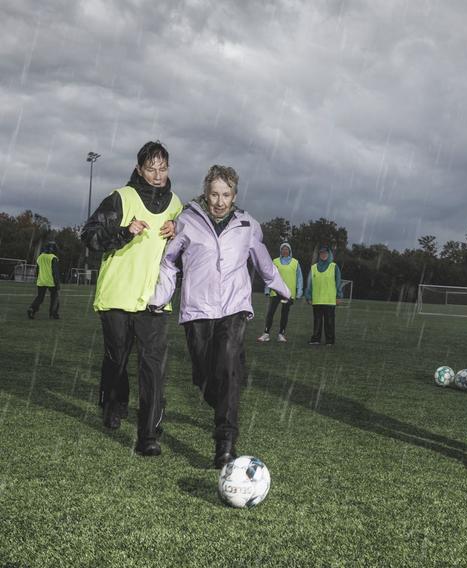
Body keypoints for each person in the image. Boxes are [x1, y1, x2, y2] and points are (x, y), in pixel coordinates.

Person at [149, 164, 290, 468]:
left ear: (234, 195)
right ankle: (227, 395)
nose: (219, 200)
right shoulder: (187, 220)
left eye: (226, 194)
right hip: (197, 309)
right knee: (204, 377)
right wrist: (160, 296)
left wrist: (281, 286)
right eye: (214, 194)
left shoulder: (246, 225)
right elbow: (169, 261)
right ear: (206, 193)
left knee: (226, 365)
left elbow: (263, 260)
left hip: (233, 308)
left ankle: (224, 443)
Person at [81, 141, 181, 456]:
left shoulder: (176, 205)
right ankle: (113, 401)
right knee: (117, 359)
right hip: (116, 296)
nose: (157, 174)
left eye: (162, 168)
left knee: (153, 367)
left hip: (153, 300)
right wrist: (124, 231)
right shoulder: (121, 198)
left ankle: (147, 434)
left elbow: (186, 250)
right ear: (139, 169)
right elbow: (90, 237)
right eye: (150, 168)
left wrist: (178, 230)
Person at [257, 242, 303, 343]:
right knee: (270, 313)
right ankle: (266, 334)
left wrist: (299, 291)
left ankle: (281, 334)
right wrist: (267, 289)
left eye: (287, 249)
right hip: (275, 292)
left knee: (284, 314)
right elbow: (270, 276)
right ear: (280, 251)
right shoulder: (275, 261)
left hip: (288, 294)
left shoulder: (295, 262)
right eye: (283, 249)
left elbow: (299, 278)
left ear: (289, 251)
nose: (285, 251)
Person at [305, 245, 343, 346]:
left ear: (329, 254)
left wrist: (339, 296)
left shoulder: (334, 267)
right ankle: (316, 339)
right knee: (317, 321)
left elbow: (338, 282)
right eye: (321, 253)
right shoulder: (313, 268)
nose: (323, 255)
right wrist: (308, 296)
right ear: (319, 255)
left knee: (329, 322)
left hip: (329, 300)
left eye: (325, 253)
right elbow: (309, 283)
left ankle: (330, 341)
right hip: (317, 300)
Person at [27, 241, 61, 320]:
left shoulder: (40, 256)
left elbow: (37, 270)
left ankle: (32, 309)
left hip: (41, 280)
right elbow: (55, 272)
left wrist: (38, 277)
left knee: (40, 297)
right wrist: (57, 283)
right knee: (55, 298)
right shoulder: (53, 258)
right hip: (51, 281)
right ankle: (53, 314)